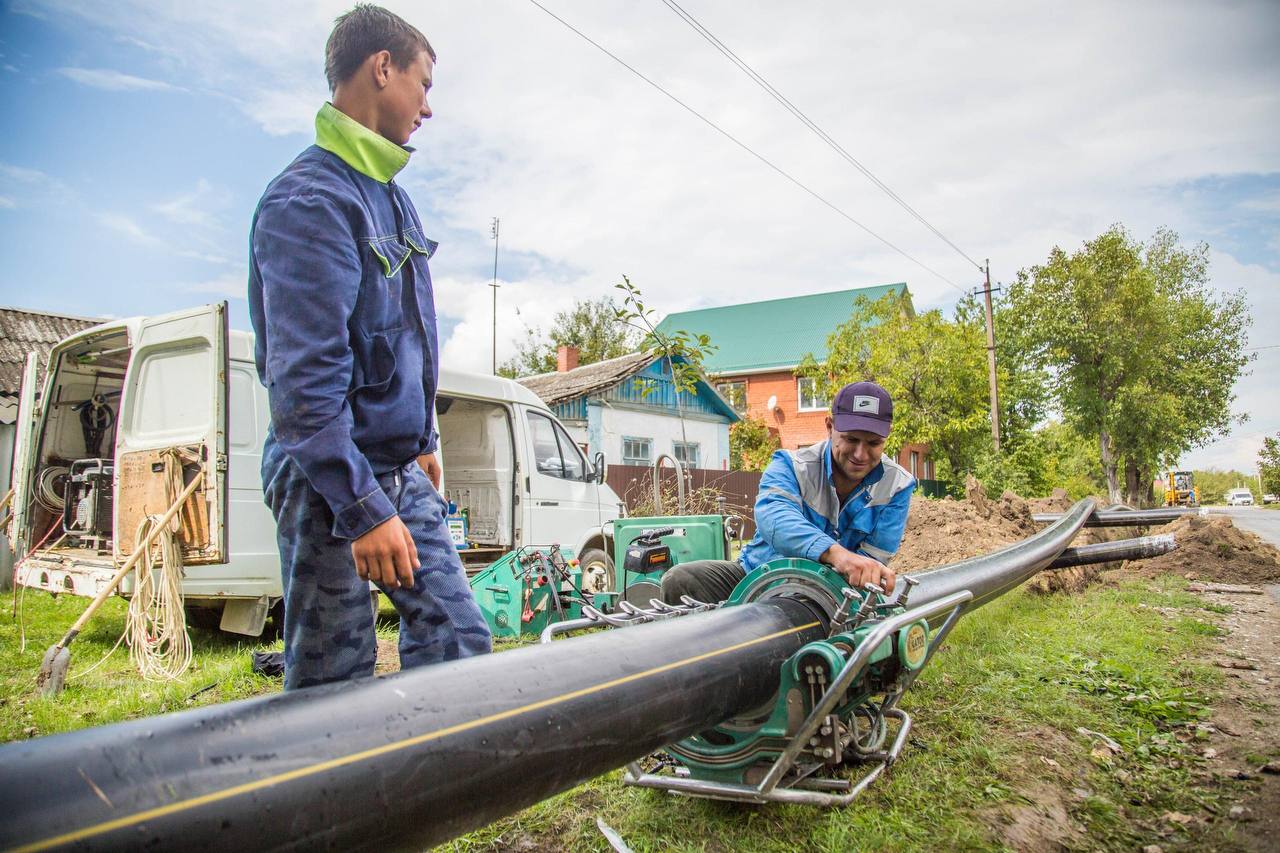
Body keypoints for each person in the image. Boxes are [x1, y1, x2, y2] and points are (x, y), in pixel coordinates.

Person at [248, 4, 491, 690]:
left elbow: (408, 337)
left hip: (394, 465)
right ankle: (324, 794)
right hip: (327, 473)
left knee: (459, 635)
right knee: (337, 681)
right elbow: (302, 394)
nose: (429, 107)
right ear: (382, 68)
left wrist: (422, 440)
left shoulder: (392, 199)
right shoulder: (308, 202)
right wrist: (362, 510)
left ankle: (432, 795)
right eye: (425, 83)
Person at [662, 381, 914, 604]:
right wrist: (837, 555)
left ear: (886, 439)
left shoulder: (898, 486)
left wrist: (855, 571)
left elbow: (870, 562)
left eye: (873, 444)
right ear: (829, 426)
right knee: (680, 579)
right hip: (756, 577)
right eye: (850, 440)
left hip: (831, 591)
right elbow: (774, 519)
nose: (860, 454)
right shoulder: (791, 466)